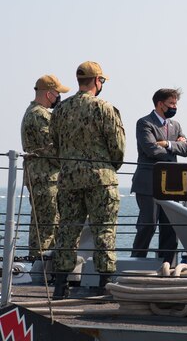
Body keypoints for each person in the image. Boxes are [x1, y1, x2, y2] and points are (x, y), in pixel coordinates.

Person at [50, 61, 125, 298]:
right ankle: (105, 287)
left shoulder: (60, 110)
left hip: (69, 179)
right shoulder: (104, 108)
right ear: (96, 81)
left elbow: (55, 146)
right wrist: (108, 168)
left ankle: (61, 286)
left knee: (67, 231)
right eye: (101, 80)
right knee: (104, 231)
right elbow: (118, 148)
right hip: (100, 180)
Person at [131, 88, 187, 265]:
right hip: (148, 184)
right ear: (160, 104)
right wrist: (174, 147)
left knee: (170, 228)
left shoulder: (175, 126)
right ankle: (136, 264)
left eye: (175, 104)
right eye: (171, 104)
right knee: (147, 225)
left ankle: (167, 267)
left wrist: (167, 144)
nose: (174, 107)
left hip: (171, 185)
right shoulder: (144, 123)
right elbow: (151, 149)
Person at [21, 74, 70, 259]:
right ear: (49, 94)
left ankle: (42, 266)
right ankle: (41, 267)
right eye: (57, 93)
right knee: (47, 225)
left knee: (44, 223)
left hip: (41, 177)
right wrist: (67, 162)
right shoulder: (39, 115)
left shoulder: (32, 112)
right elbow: (50, 149)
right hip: (45, 178)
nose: (59, 97)